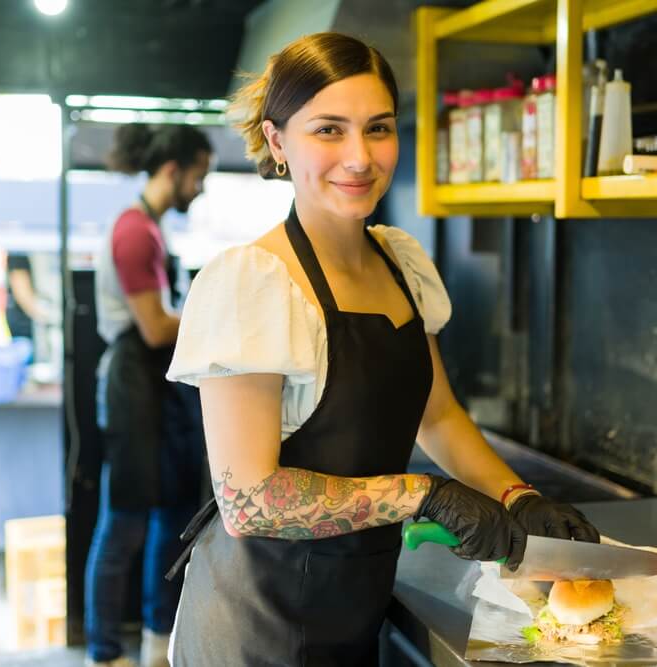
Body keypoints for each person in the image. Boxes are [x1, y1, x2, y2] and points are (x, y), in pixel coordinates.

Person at [164, 33, 600, 666]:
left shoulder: (400, 262)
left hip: (350, 608)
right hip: (252, 628)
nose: (359, 157)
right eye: (329, 130)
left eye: (379, 127)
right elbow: (249, 500)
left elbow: (439, 414)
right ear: (279, 141)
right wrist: (425, 496)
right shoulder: (251, 283)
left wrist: (518, 498)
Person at [85, 123, 213, 667]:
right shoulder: (136, 233)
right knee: (125, 521)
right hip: (134, 381)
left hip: (156, 386)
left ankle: (158, 646)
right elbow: (157, 328)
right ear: (172, 170)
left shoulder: (151, 229)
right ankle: (105, 653)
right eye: (199, 176)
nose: (201, 188)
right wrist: (215, 315)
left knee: (170, 514)